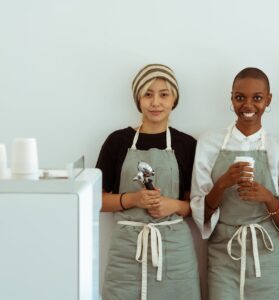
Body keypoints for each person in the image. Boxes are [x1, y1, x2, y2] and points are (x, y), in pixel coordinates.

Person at [190, 67, 279, 300]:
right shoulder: (209, 143)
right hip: (223, 254)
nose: (248, 105)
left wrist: (268, 199)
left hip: (269, 257)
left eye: (257, 98)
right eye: (240, 97)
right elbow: (200, 210)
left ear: (268, 100)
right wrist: (221, 184)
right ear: (231, 98)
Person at [96, 64, 200, 300]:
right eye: (148, 94)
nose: (156, 102)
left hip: (174, 253)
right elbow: (97, 200)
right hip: (126, 253)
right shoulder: (117, 141)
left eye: (164, 94)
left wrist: (172, 206)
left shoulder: (186, 145)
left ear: (174, 99)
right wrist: (132, 199)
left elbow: (198, 204)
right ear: (138, 99)